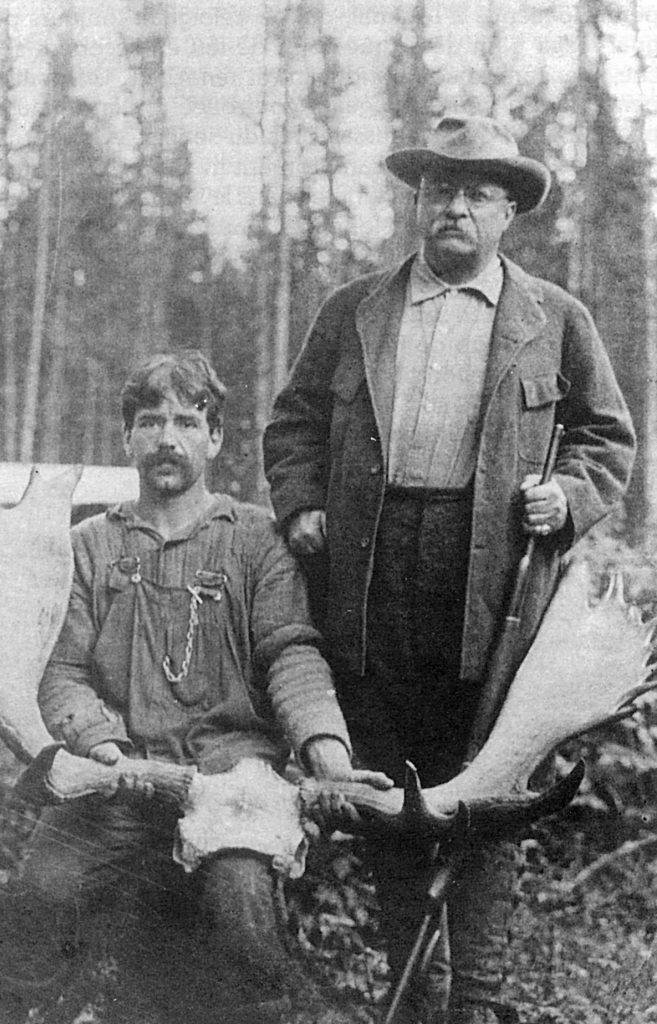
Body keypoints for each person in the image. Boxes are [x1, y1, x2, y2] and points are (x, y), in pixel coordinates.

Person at [263, 115, 636, 1024]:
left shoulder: (556, 319)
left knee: (488, 783)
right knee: (393, 787)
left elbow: (607, 437)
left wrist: (569, 498)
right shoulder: (354, 311)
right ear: (417, 204)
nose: (454, 208)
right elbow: (295, 424)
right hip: (369, 576)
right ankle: (415, 998)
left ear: (508, 213)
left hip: (493, 586)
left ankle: (477, 996)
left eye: (476, 194)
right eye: (438, 191)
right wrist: (303, 502)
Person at [0, 350, 388, 1024]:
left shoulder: (256, 541)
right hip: (116, 782)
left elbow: (291, 656)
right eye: (151, 421)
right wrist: (102, 749)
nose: (168, 437)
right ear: (127, 436)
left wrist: (326, 753)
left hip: (234, 789)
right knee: (35, 899)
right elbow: (63, 672)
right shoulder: (85, 548)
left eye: (188, 422)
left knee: (242, 910)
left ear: (215, 438)